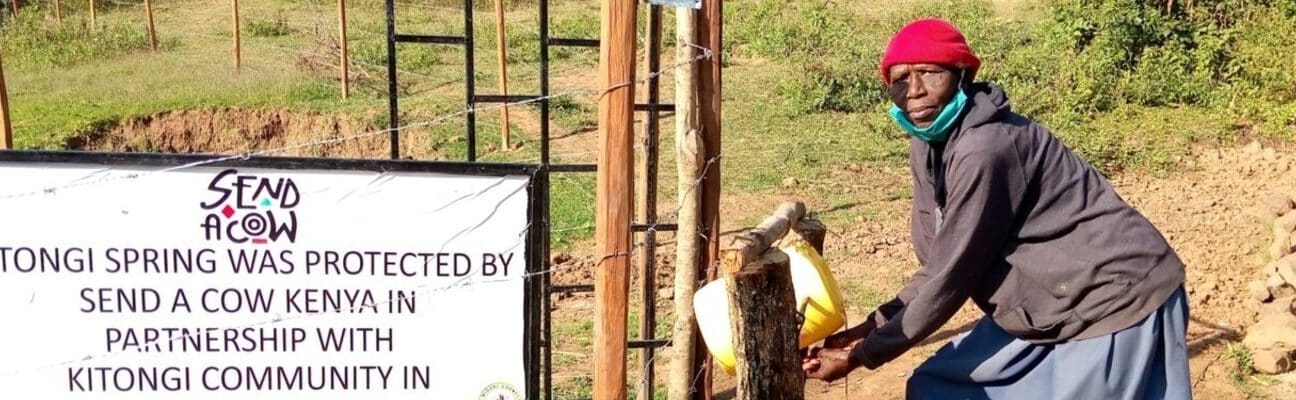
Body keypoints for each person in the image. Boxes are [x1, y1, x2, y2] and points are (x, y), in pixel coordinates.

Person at [800, 18, 1191, 399]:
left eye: (930, 73)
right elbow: (939, 263)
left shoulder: (985, 148)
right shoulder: (928, 144)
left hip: (1110, 300)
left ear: (962, 76)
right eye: (900, 79)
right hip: (1047, 303)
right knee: (935, 386)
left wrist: (863, 355)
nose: (914, 91)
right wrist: (870, 327)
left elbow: (951, 278)